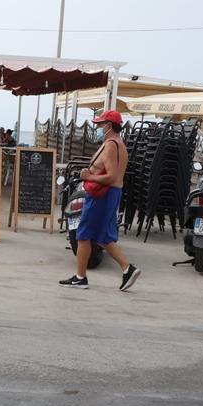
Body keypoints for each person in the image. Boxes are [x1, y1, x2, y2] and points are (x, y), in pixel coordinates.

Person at [60, 110, 140, 292]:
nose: (97, 128)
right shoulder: (120, 145)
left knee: (83, 234)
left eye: (99, 124)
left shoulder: (111, 145)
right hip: (111, 194)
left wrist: (89, 176)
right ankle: (128, 269)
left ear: (109, 125)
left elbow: (111, 176)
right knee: (102, 236)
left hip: (101, 195)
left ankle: (80, 278)